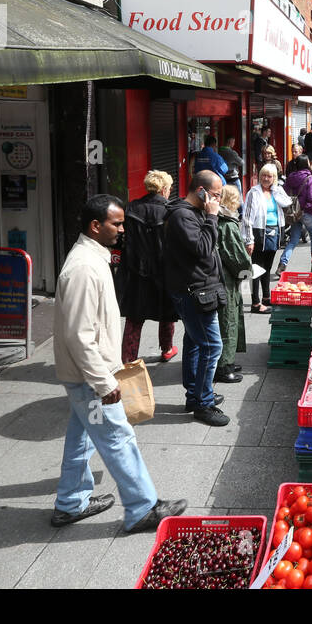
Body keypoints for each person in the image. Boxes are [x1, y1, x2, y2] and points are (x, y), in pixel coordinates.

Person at [52, 195, 187, 532]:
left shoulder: (93, 258)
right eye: (117, 223)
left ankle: (70, 503)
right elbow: (79, 336)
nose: (123, 229)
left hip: (86, 373)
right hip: (90, 376)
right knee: (118, 437)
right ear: (96, 226)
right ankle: (142, 508)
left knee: (80, 438)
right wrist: (103, 381)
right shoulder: (84, 267)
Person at [164, 171, 230, 426]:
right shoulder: (183, 215)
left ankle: (195, 394)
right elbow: (202, 249)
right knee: (212, 346)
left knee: (194, 341)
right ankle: (203, 403)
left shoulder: (192, 213)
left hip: (198, 288)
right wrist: (212, 216)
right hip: (193, 291)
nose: (218, 199)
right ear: (201, 191)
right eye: (215, 194)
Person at [115, 170, 178, 365]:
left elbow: (121, 240)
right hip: (163, 271)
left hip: (136, 271)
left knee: (134, 318)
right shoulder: (170, 211)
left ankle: (128, 359)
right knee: (167, 313)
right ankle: (167, 348)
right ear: (164, 189)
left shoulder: (131, 208)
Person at [215, 185, 252, 384]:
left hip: (224, 277)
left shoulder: (221, 220)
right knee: (227, 321)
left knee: (229, 319)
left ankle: (227, 361)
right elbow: (237, 257)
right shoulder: (227, 224)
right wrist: (247, 270)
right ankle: (222, 366)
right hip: (227, 279)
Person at [243, 164, 292, 312]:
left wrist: (276, 190)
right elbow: (246, 218)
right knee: (256, 268)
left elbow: (287, 202)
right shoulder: (254, 192)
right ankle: (255, 304)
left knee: (267, 267)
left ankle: (266, 297)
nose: (266, 179)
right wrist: (249, 240)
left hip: (274, 232)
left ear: (274, 178)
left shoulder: (276, 191)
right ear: (259, 176)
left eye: (269, 176)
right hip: (258, 233)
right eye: (263, 175)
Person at [278, 155, 312, 272]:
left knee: (293, 241)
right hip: (308, 213)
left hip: (295, 213)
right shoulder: (310, 179)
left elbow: (284, 191)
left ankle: (282, 263)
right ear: (306, 164)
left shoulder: (291, 177)